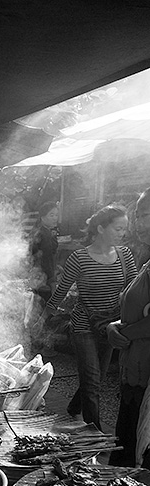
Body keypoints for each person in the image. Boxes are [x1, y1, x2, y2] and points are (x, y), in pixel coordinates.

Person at [37, 204, 136, 430]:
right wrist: (42, 320)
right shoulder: (79, 258)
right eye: (118, 229)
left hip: (112, 325)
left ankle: (74, 407)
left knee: (96, 377)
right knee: (92, 382)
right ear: (101, 228)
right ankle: (95, 435)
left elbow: (134, 288)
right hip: (84, 325)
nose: (123, 234)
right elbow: (60, 292)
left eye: (124, 229)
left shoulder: (125, 255)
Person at [107, 188, 150, 467]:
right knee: (122, 459)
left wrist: (122, 332)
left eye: (146, 214)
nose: (139, 222)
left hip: (147, 386)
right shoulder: (146, 261)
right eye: (139, 214)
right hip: (132, 377)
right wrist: (114, 326)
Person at [30, 201, 60, 302]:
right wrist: (51, 280)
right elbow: (45, 258)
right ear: (42, 217)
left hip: (38, 276)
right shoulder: (44, 234)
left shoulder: (43, 231)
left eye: (56, 215)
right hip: (43, 278)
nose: (55, 218)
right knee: (45, 306)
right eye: (51, 215)